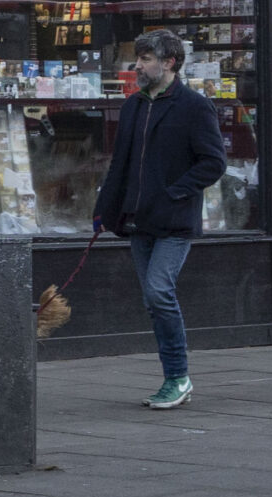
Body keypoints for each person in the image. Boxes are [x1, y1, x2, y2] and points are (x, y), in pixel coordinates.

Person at [94, 28, 228, 410]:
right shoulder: (135, 105)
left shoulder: (194, 106)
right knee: (153, 302)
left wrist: (173, 193)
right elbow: (119, 163)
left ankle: (178, 376)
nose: (138, 66)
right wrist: (104, 211)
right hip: (138, 221)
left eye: (146, 59)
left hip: (175, 221)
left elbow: (213, 162)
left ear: (169, 62)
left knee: (158, 291)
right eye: (138, 59)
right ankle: (173, 377)